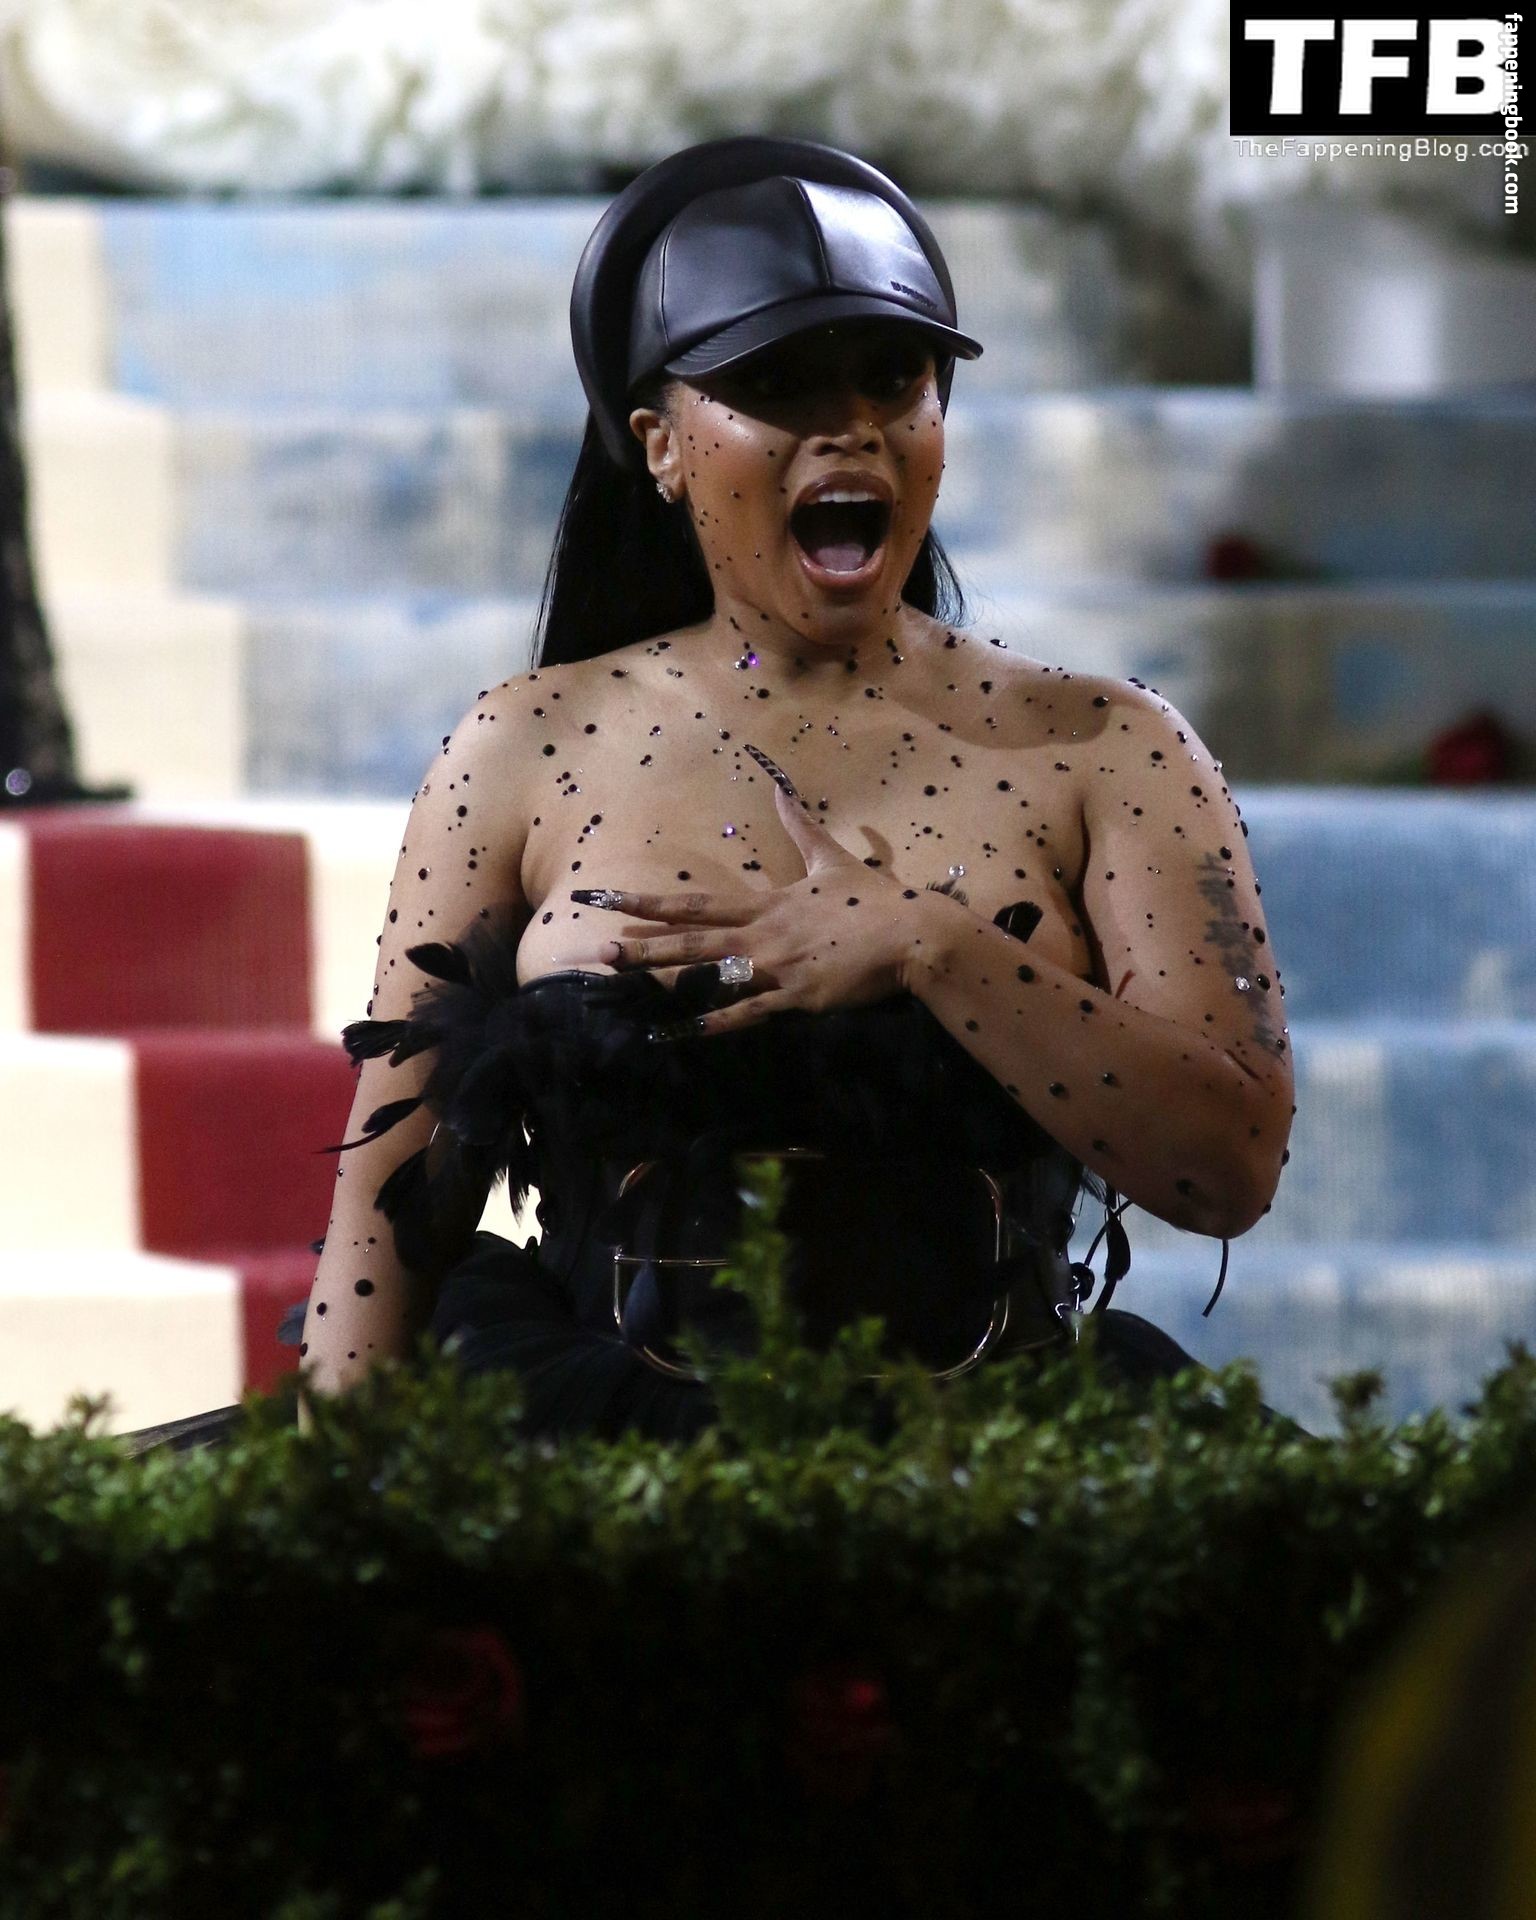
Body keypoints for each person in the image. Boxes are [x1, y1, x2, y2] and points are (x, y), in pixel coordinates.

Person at [116, 135, 1295, 1458]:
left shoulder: (1111, 748)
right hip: (585, 1458)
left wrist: (937, 948)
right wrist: (328, 1498)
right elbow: (395, 1207)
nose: (848, 424)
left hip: (991, 1465)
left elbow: (1229, 1167)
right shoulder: (521, 747)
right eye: (775, 383)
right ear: (662, 446)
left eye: (892, 376)